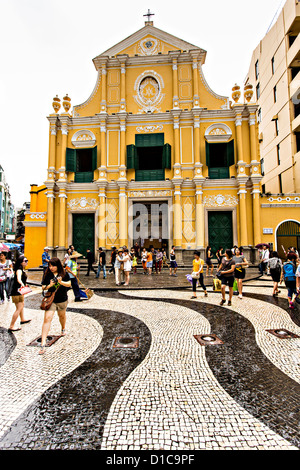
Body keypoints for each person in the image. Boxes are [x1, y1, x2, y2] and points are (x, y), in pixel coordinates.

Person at [39, 258, 71, 355]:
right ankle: (43, 343)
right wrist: (49, 285)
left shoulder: (64, 274)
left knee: (62, 316)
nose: (51, 268)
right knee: (47, 318)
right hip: (51, 300)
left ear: (58, 266)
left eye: (53, 266)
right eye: (50, 266)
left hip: (62, 299)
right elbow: (43, 287)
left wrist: (61, 282)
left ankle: (63, 328)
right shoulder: (47, 274)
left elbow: (69, 284)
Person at [8, 256, 31, 332]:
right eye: (25, 261)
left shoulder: (21, 269)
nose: (27, 262)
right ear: (21, 262)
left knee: (21, 305)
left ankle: (22, 319)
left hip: (19, 291)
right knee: (19, 308)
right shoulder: (19, 270)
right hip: (17, 291)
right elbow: (18, 279)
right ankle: (12, 326)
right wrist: (22, 284)